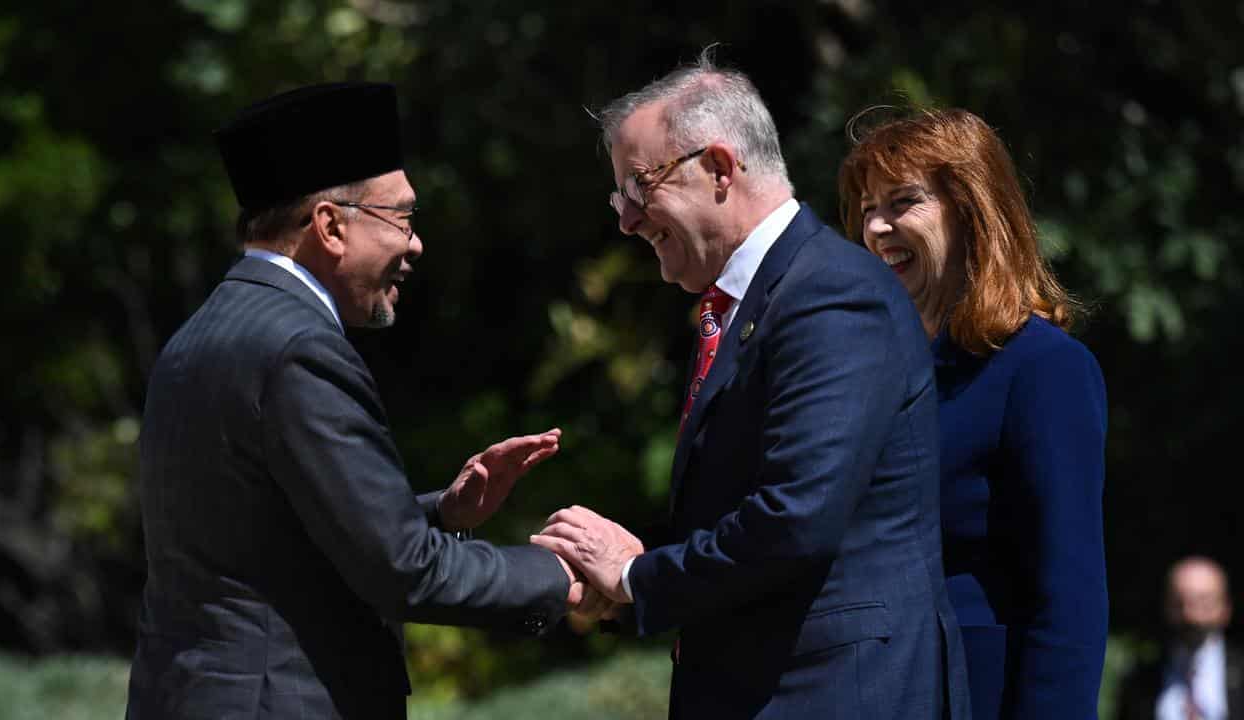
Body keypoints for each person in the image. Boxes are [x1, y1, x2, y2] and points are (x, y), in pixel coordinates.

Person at [125, 82, 584, 720]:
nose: (415, 244)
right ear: (331, 226)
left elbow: (271, 535)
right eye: (402, 217)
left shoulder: (201, 333)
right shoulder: (298, 347)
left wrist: (440, 513)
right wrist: (563, 575)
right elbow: (404, 572)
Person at [531, 53, 969, 719]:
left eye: (639, 187)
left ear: (719, 168)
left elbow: (794, 522)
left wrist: (634, 576)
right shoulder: (749, 304)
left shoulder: (831, 296)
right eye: (618, 197)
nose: (626, 220)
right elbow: (737, 511)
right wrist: (623, 576)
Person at [837, 107, 1109, 719]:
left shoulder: (1043, 367)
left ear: (971, 209)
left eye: (902, 202)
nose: (876, 228)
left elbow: (1069, 595)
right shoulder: (875, 369)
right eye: (866, 208)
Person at [1118, 556, 1243, 720]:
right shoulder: (1140, 679)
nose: (1190, 615)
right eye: (1179, 602)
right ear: (1166, 606)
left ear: (1225, 608)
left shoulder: (1240, 671)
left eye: (1203, 601)